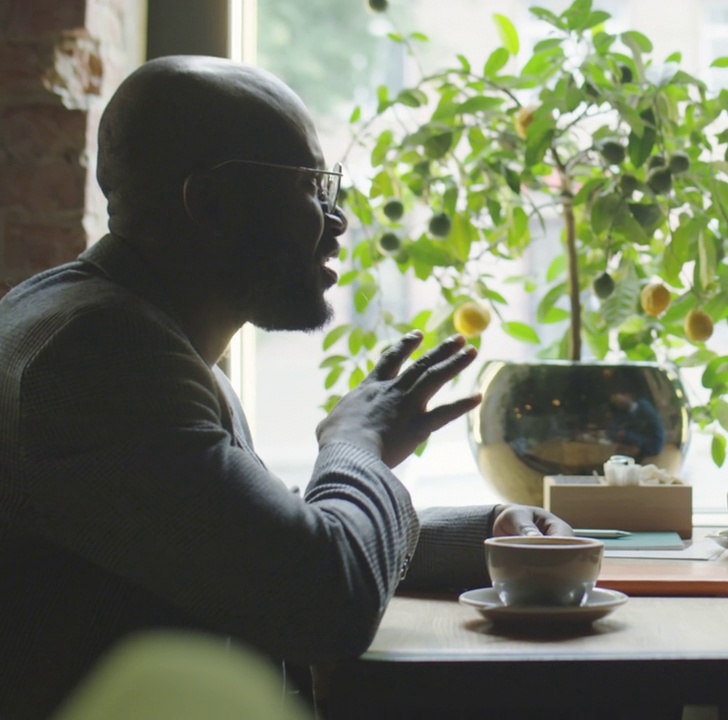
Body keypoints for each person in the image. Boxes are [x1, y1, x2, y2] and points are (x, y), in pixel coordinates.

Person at [0, 55, 570, 719]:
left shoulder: (122, 323)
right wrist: (356, 442)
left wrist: (484, 534)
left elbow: (245, 547)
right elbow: (322, 604)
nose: (338, 221)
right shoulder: (96, 358)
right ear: (209, 203)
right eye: (310, 185)